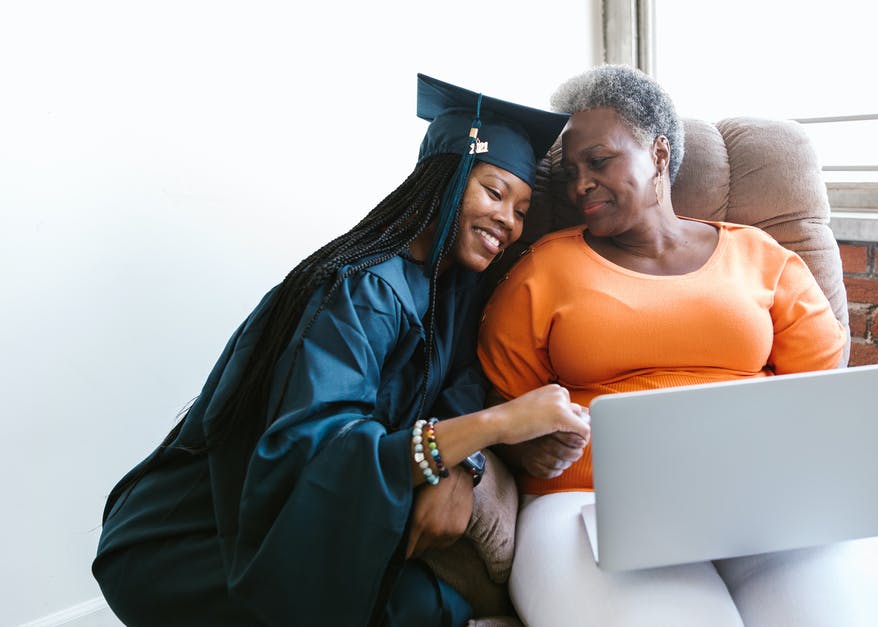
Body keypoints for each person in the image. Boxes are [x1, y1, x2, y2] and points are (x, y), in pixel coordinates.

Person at [92, 74, 587, 627]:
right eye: (494, 193)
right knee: (427, 610)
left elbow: (458, 391)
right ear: (444, 181)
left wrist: (463, 464)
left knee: (436, 604)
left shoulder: (453, 293)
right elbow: (317, 450)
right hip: (193, 544)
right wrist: (499, 424)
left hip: (291, 535)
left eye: (520, 210)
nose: (508, 222)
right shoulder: (364, 291)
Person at [477, 65, 878, 626]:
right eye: (570, 172)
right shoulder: (541, 271)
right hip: (590, 503)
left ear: (658, 153)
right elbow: (504, 408)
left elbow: (825, 400)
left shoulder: (762, 257)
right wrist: (524, 446)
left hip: (768, 503)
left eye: (599, 161)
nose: (580, 183)